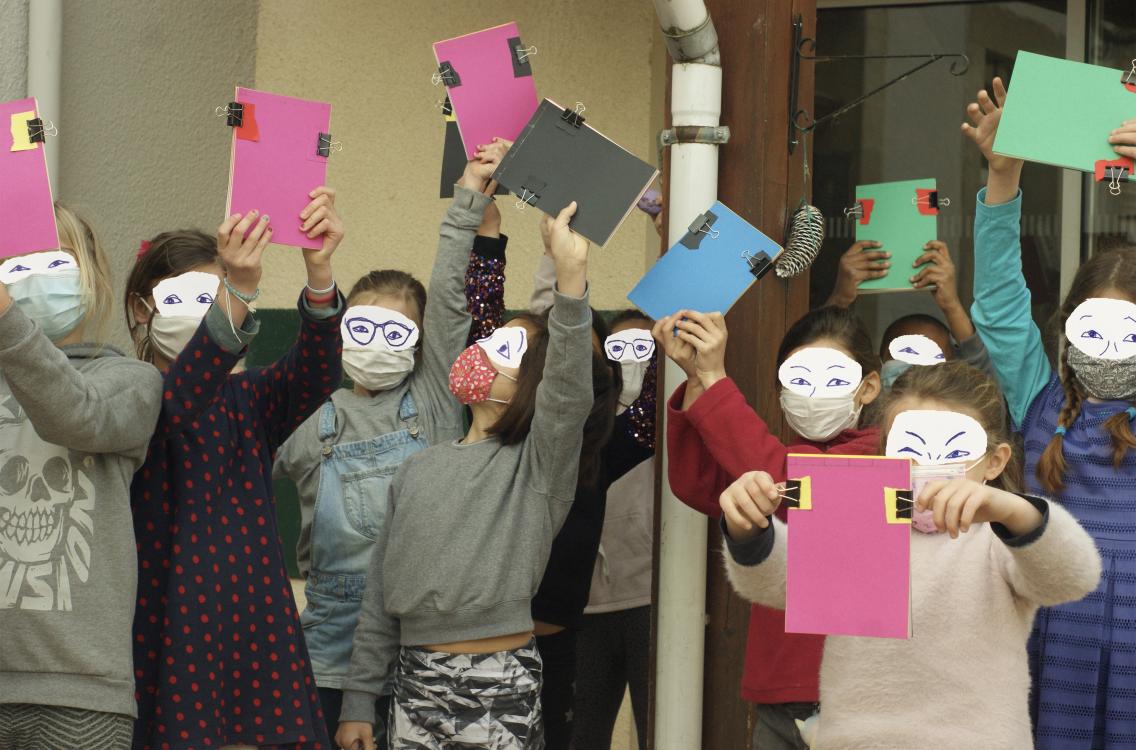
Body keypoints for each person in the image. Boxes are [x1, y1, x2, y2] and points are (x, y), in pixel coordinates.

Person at [719, 361, 1101, 749]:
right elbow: (777, 582)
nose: (930, 468)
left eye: (954, 451)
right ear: (885, 453)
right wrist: (747, 525)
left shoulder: (1000, 538)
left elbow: (1071, 576)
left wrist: (1013, 510)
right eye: (911, 450)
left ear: (994, 462)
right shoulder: (856, 523)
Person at [274, 143, 509, 746]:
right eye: (363, 325)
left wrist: (468, 198)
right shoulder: (309, 418)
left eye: (396, 329)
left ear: (420, 342)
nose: (377, 341)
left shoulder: (433, 398)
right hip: (327, 647)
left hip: (419, 641)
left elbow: (450, 293)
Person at [336, 202, 594, 750]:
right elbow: (381, 591)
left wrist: (571, 278)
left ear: (531, 384)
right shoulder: (417, 467)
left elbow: (569, 393)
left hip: (500, 680)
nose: (480, 349)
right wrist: (359, 699)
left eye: (504, 349)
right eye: (488, 340)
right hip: (412, 680)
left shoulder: (536, 465)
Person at [127, 189, 345, 749]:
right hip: (173, 628)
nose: (209, 313)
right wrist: (239, 291)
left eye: (218, 295)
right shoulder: (124, 398)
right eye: (194, 296)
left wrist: (318, 274)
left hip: (256, 625)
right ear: (139, 308)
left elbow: (316, 373)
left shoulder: (246, 396)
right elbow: (178, 403)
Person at [963, 77, 1136, 747]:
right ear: (1067, 328)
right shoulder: (1037, 392)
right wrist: (1002, 178)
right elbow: (1003, 303)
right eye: (1097, 327)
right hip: (1048, 624)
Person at [660, 305, 882, 750]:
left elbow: (800, 484)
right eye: (797, 381)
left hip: (859, 697)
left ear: (868, 387)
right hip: (778, 696)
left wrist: (717, 381)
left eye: (833, 378)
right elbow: (699, 484)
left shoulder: (884, 457)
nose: (811, 394)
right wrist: (695, 378)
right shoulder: (772, 460)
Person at [0, 204, 163, 749]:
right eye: (14, 264)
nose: (32, 278)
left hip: (80, 689)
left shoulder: (130, 379)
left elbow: (75, 414)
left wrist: (6, 321)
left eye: (52, 259)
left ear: (92, 274)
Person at [571, 309, 657, 750]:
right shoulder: (586, 418)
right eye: (618, 347)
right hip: (584, 605)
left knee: (657, 728)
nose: (631, 358)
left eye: (644, 347)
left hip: (649, 598)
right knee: (582, 733)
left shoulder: (660, 415)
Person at [825, 239, 992, 387]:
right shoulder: (860, 415)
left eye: (932, 358)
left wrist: (952, 305)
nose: (914, 369)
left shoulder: (961, 418)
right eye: (905, 353)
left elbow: (979, 376)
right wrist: (840, 299)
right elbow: (817, 356)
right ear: (878, 365)